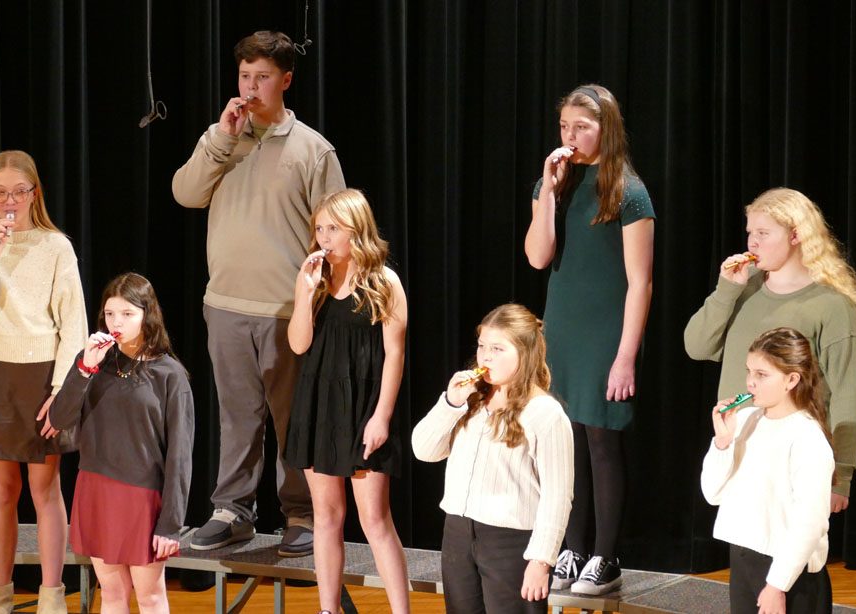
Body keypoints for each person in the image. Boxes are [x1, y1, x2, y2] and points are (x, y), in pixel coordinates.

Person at [172, 30, 345, 554]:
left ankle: (303, 514)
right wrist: (222, 139)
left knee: (293, 418)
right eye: (244, 76)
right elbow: (185, 193)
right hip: (225, 304)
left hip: (287, 308)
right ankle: (233, 510)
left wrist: (327, 303)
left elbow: (340, 228)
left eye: (262, 77)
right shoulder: (222, 138)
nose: (250, 87)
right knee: (237, 415)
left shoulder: (312, 149)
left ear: (285, 81)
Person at [524, 84, 655, 594]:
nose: (571, 136)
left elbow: (640, 282)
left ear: (607, 129)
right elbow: (538, 256)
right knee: (567, 440)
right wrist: (548, 192)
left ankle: (606, 555)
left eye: (582, 126)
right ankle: (572, 548)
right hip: (562, 328)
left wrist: (625, 356)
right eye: (565, 127)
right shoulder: (553, 182)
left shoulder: (627, 189)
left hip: (606, 333)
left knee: (600, 439)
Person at [684, 187, 856, 513]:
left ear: (796, 235)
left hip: (791, 455)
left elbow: (849, 394)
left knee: (793, 558)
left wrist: (841, 476)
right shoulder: (744, 286)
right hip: (739, 449)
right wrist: (726, 290)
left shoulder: (832, 305)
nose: (752, 242)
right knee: (745, 558)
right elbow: (697, 346)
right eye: (750, 232)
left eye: (763, 233)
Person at [0, 150, 87, 614]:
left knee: (45, 489)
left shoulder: (55, 246)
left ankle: (51, 593)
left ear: (34, 193)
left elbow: (73, 323)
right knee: (0, 491)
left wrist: (62, 389)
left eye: (19, 191)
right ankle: (0, 592)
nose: (9, 201)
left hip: (42, 375)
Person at [285, 189, 409, 614]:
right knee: (326, 516)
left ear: (356, 229)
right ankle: (329, 609)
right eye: (319, 228)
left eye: (333, 228)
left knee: (375, 519)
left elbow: (395, 353)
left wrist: (382, 417)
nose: (324, 237)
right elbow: (299, 345)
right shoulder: (315, 282)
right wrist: (304, 293)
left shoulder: (384, 282)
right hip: (320, 405)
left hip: (363, 407)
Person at [412, 304, 573, 613]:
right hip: (459, 533)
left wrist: (541, 560)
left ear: (524, 353)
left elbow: (558, 495)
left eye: (498, 348)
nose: (485, 356)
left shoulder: (545, 413)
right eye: (482, 346)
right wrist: (451, 402)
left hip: (510, 543)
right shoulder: (470, 399)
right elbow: (423, 450)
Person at [51, 273, 194, 614]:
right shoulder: (95, 363)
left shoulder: (169, 374)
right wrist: (85, 368)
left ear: (147, 315)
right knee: (112, 592)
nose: (117, 322)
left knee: (150, 596)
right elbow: (58, 419)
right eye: (110, 313)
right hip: (97, 488)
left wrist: (171, 524)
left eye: (127, 314)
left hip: (142, 496)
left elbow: (180, 455)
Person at [701, 327, 834, 613]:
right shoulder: (747, 419)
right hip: (744, 559)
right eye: (749, 371)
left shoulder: (807, 437)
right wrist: (722, 443)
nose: (750, 383)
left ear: (791, 379)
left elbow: (810, 521)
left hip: (789, 575)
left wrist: (777, 585)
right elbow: (713, 494)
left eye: (762, 375)